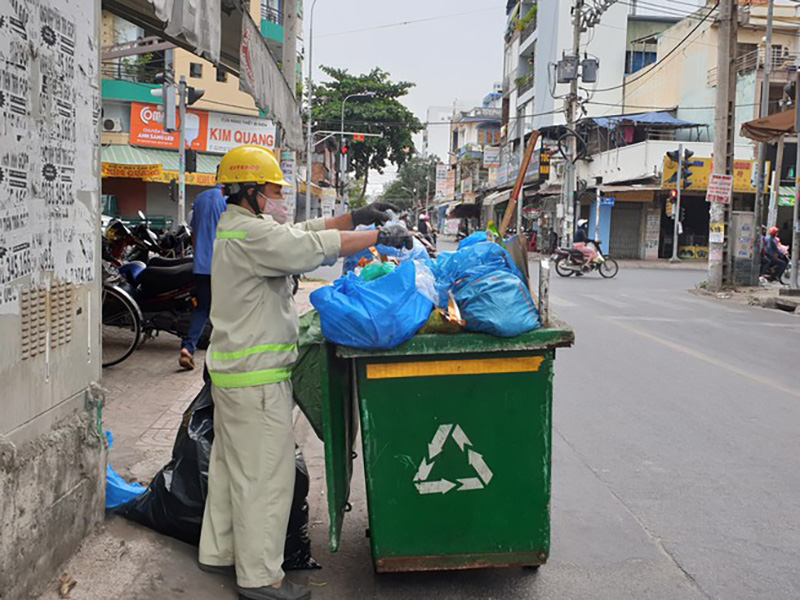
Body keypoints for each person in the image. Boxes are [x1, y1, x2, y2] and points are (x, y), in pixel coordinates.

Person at [197, 145, 411, 600]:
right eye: (271, 190)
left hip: (234, 373)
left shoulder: (241, 229)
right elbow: (307, 248)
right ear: (250, 190)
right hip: (255, 380)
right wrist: (376, 238)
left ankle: (218, 552)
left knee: (230, 470)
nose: (276, 198)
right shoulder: (253, 236)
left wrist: (354, 217)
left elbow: (300, 231)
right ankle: (259, 578)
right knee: (265, 480)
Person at [179, 184, 227, 370]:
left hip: (201, 265)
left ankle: (188, 347)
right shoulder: (227, 201)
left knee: (202, 309)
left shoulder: (200, 199)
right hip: (221, 265)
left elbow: (193, 231)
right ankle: (219, 354)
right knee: (224, 311)